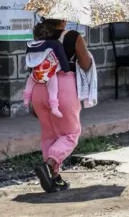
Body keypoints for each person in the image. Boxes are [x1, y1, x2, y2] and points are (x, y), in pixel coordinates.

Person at [30, 18, 92, 193]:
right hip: (63, 88)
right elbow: (86, 64)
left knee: (49, 134)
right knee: (71, 133)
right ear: (64, 19)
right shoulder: (73, 36)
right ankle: (49, 165)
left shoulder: (39, 36)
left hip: (38, 88)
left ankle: (55, 178)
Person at [23, 38, 70, 118]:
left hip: (36, 73)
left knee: (29, 83)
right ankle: (54, 108)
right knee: (53, 90)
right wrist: (66, 70)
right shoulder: (54, 44)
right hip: (49, 74)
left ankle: (26, 100)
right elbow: (62, 60)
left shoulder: (31, 45)